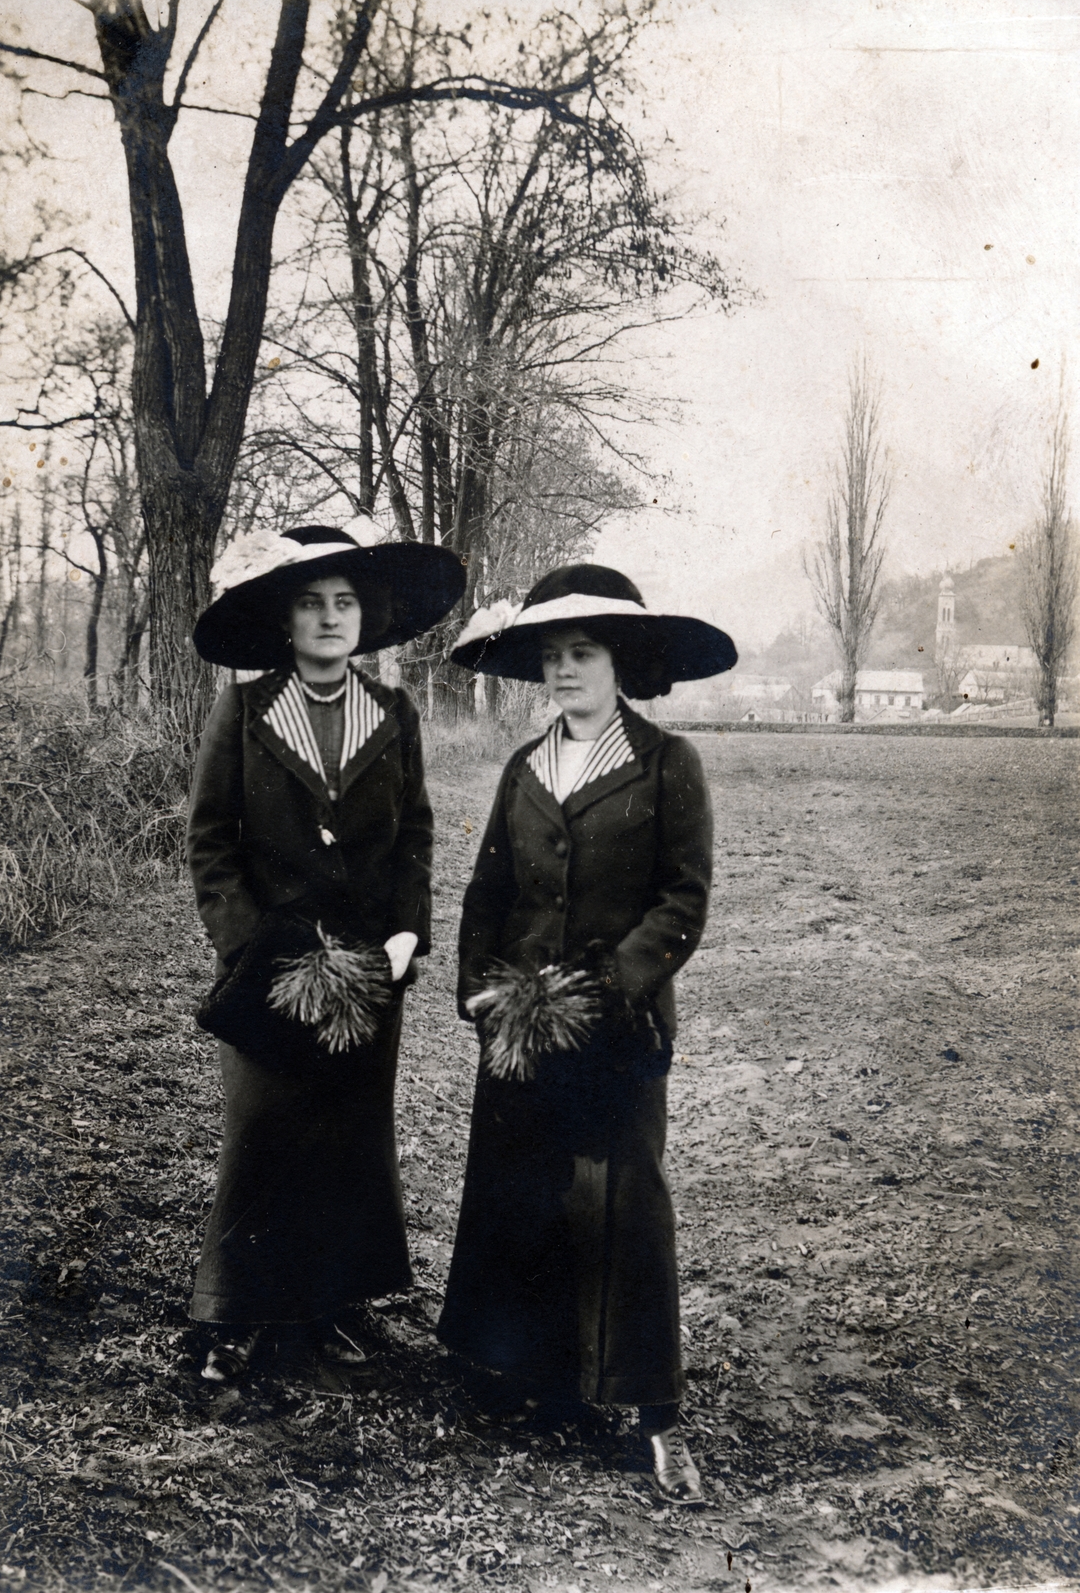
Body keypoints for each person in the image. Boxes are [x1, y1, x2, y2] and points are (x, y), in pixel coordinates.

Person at [436, 563, 737, 1505]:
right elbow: (489, 893)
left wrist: (617, 985)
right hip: (520, 1028)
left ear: (621, 663)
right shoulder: (526, 767)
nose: (565, 671)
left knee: (619, 1201)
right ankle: (531, 1380)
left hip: (620, 1028)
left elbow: (684, 896)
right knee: (520, 1188)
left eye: (585, 654)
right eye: (554, 656)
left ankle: (646, 1406)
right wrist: (481, 990)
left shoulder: (665, 762)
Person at [186, 520, 464, 1381]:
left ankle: (339, 1303)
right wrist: (248, 949)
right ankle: (235, 1314)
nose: (331, 618)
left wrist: (405, 936)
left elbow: (413, 833)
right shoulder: (244, 709)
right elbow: (210, 841)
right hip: (270, 961)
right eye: (312, 603)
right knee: (265, 1124)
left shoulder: (394, 711)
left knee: (350, 1125)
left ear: (367, 618)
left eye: (345, 603)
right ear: (285, 620)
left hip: (369, 960)